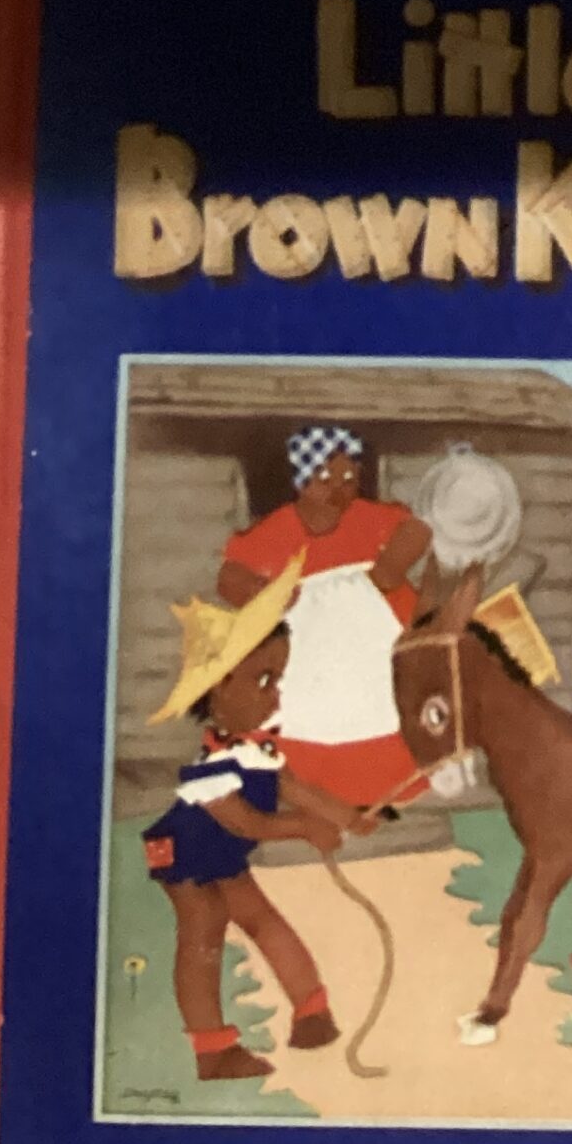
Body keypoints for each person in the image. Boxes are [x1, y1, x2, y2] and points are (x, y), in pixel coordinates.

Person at [144, 552, 373, 1082]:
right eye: (264, 680)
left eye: (279, 679)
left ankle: (311, 1011)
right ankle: (211, 1049)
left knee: (263, 920)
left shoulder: (256, 750)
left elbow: (294, 787)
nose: (277, 694)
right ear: (219, 689)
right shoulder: (212, 769)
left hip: (221, 855)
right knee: (203, 931)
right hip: (184, 854)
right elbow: (248, 823)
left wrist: (350, 817)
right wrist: (305, 827)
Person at [218, 427, 432, 808]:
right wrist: (264, 594)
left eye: (349, 480)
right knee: (309, 708)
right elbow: (230, 576)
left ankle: (389, 784)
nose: (338, 490)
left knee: (384, 697)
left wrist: (388, 570)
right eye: (325, 479)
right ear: (301, 482)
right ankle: (322, 796)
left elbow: (416, 531)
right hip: (307, 639)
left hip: (370, 631)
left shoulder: (368, 518)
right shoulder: (279, 530)